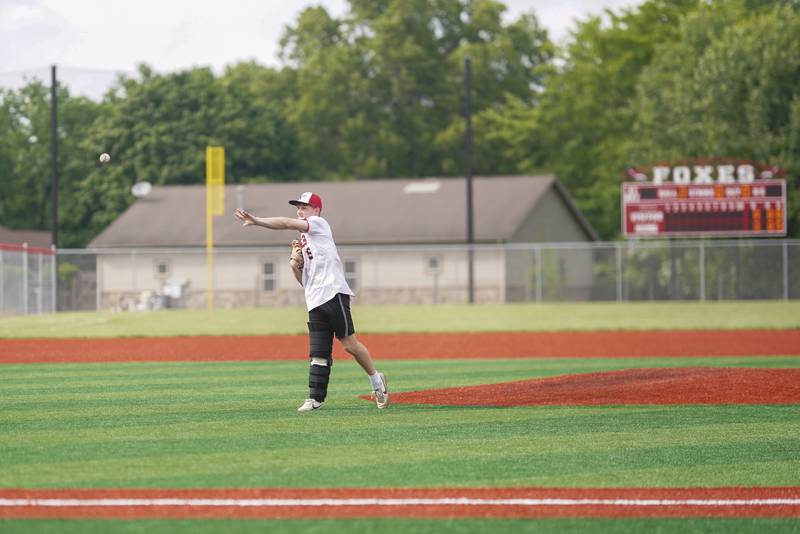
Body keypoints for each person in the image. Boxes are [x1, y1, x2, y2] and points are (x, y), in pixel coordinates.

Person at [235, 192, 389, 412]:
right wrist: (293, 264)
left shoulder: (318, 224)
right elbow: (304, 282)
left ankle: (377, 381)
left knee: (349, 345)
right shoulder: (306, 243)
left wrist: (258, 221)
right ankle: (315, 398)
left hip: (334, 293)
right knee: (318, 353)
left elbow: (287, 223)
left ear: (316, 210)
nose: (300, 210)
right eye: (299, 207)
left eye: (305, 207)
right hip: (315, 298)